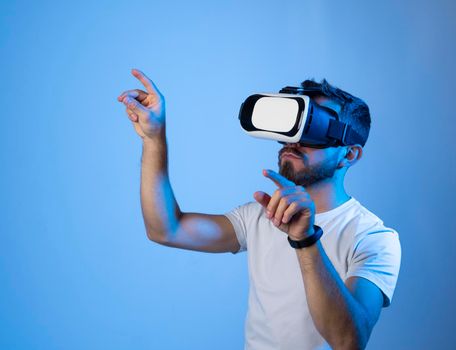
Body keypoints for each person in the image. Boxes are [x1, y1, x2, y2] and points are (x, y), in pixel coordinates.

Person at [117, 69, 401, 350]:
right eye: (292, 126)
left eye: (312, 129)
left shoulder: (373, 238)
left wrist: (305, 240)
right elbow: (166, 229)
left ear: (348, 154)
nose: (294, 141)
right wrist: (153, 139)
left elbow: (348, 342)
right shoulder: (259, 215)